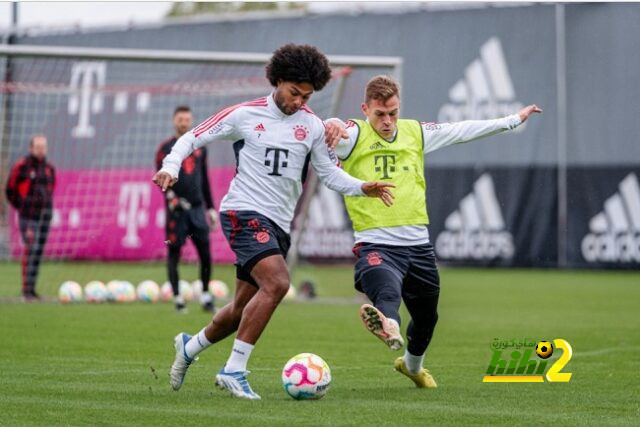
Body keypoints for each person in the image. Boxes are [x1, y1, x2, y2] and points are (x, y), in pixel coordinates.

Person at [152, 44, 394, 400]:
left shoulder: (312, 125)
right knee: (279, 282)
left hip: (278, 225)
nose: (299, 101)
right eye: (294, 92)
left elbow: (328, 173)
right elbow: (192, 137)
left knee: (238, 311)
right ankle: (234, 370)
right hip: (243, 213)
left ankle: (189, 347)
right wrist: (171, 166)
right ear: (278, 80)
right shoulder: (244, 114)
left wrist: (362, 187)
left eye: (306, 95)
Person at [324, 75, 541, 388]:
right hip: (376, 243)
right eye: (380, 114)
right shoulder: (353, 135)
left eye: (393, 113)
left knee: (427, 318)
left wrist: (511, 120)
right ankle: (389, 325)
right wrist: (331, 122)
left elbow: (461, 130)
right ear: (365, 110)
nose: (387, 121)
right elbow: (326, 128)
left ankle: (412, 366)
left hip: (418, 245)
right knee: (386, 291)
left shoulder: (415, 132)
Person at [155, 106, 217, 313]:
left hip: (198, 209)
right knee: (174, 253)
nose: (184, 122)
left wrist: (210, 208)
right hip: (177, 211)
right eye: (180, 119)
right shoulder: (165, 148)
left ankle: (206, 296)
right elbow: (160, 178)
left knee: (205, 253)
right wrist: (171, 197)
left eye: (187, 119)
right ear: (174, 121)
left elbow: (205, 180)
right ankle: (178, 298)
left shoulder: (201, 148)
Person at [5, 134, 56, 301]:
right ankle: (26, 290)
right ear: (31, 148)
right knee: (31, 248)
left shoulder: (49, 168)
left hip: (44, 216)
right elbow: (10, 189)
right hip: (28, 217)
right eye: (38, 147)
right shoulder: (22, 166)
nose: (41, 150)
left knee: (39, 252)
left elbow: (52, 189)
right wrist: (22, 206)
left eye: (43, 147)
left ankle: (33, 290)